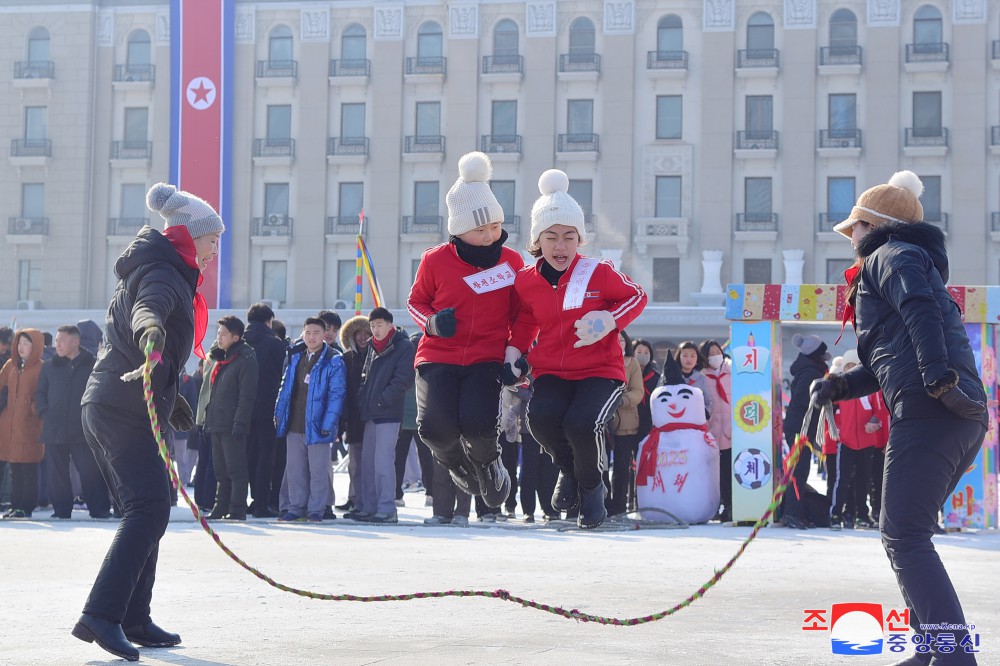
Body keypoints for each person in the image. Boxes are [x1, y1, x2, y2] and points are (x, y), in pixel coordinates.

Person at [812, 170, 987, 665]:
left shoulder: (893, 256)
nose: (852, 239)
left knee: (904, 534)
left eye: (856, 228)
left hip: (931, 409)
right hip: (952, 413)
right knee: (906, 531)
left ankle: (952, 656)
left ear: (875, 225)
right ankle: (935, 649)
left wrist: (936, 376)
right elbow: (892, 352)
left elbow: (919, 311)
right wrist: (841, 386)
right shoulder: (907, 258)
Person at [72, 182, 223, 661]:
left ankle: (135, 615)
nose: (215, 247)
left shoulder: (167, 268)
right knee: (149, 508)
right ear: (187, 235)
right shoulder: (162, 271)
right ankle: (102, 614)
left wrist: (167, 392)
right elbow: (147, 310)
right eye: (211, 238)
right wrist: (151, 335)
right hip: (120, 407)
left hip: (125, 402)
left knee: (150, 506)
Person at [506, 169, 647, 529]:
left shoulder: (597, 272)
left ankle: (592, 488)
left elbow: (636, 297)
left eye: (569, 237)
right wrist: (514, 351)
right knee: (539, 419)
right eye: (551, 237)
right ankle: (570, 470)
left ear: (580, 239)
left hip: (601, 370)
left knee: (583, 423)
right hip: (553, 369)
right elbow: (524, 321)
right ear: (538, 240)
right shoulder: (526, 280)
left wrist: (608, 321)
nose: (561, 246)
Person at [407, 151, 525, 508]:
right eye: (480, 229)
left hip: (486, 357)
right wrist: (431, 322)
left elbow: (523, 314)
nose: (491, 235)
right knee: (433, 429)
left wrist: (515, 352)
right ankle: (456, 463)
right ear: (459, 228)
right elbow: (415, 302)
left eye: (494, 227)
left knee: (478, 426)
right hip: (438, 355)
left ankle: (490, 465)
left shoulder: (512, 261)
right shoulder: (435, 259)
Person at [274, 318, 346, 523]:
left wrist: (328, 424)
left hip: (318, 424)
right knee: (295, 469)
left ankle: (317, 508)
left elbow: (336, 395)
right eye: (308, 333)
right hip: (294, 422)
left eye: (316, 333)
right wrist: (279, 414)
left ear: (324, 335)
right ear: (303, 334)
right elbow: (285, 388)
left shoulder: (333, 360)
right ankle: (296, 507)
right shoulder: (296, 356)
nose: (311, 337)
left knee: (319, 470)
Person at [35, 325, 111, 520]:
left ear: (75, 342)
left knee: (90, 471)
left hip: (82, 429)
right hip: (54, 428)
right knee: (57, 474)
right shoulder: (49, 366)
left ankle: (99, 509)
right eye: (57, 340)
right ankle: (61, 510)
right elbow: (40, 393)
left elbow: (100, 393)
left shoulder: (91, 364)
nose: (57, 344)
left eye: (62, 340)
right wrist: (45, 413)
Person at [349, 308, 415, 524]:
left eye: (379, 325)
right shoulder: (370, 347)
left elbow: (402, 380)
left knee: (383, 462)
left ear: (389, 325)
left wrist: (381, 400)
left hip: (388, 413)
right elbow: (364, 378)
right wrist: (363, 399)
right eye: (373, 325)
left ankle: (387, 508)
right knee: (367, 463)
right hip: (370, 412)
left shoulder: (402, 346)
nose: (375, 330)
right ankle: (369, 506)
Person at [197, 316, 258, 521]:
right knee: (220, 470)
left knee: (235, 469)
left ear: (236, 336)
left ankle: (237, 508)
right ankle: (220, 506)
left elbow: (246, 395)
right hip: (216, 421)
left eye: (224, 334)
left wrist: (240, 422)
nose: (219, 338)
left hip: (233, 422)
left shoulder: (245, 358)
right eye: (218, 333)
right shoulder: (220, 358)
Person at [827, 349, 886, 530]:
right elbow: (831, 410)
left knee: (863, 480)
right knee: (842, 480)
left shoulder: (870, 390)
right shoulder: (841, 388)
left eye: (855, 367)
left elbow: (880, 410)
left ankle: (862, 515)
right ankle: (836, 514)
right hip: (845, 442)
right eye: (848, 367)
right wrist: (836, 429)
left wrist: (875, 422)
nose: (851, 371)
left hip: (866, 442)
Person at [780, 333, 830, 530]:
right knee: (798, 471)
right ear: (816, 355)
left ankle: (794, 511)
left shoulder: (808, 368)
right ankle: (791, 513)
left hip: (800, 426)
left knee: (799, 470)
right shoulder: (811, 372)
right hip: (800, 427)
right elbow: (803, 399)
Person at [243, 303, 286, 518]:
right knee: (267, 456)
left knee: (248, 455)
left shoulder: (239, 342)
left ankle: (251, 500)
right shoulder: (274, 344)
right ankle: (262, 502)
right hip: (269, 408)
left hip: (243, 408)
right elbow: (283, 376)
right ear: (269, 321)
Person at [0, 329, 45, 519]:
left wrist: (33, 409)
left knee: (28, 469)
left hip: (29, 425)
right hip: (9, 424)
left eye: (26, 343)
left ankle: (26, 507)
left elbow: (44, 394)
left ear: (36, 346)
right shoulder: (11, 365)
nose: (21, 347)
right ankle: (15, 504)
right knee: (14, 468)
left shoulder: (42, 367)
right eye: (19, 343)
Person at [608, 330, 644, 518]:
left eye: (621, 340)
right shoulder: (600, 360)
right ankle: (602, 506)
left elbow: (638, 391)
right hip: (601, 422)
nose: (618, 343)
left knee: (621, 467)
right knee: (601, 466)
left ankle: (619, 507)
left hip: (626, 421)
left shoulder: (632, 363)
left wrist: (621, 400)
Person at [336, 315, 370, 514]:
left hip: (372, 416)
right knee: (355, 463)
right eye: (359, 333)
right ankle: (355, 499)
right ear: (352, 336)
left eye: (367, 333)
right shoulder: (346, 359)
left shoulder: (377, 356)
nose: (363, 338)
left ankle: (367, 501)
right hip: (354, 419)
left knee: (371, 464)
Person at [700, 339, 733, 522]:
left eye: (717, 352)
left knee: (728, 472)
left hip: (730, 432)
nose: (715, 356)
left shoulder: (732, 373)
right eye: (710, 353)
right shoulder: (702, 376)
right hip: (711, 433)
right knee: (713, 475)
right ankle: (712, 507)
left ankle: (729, 507)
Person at [661, 341, 713, 417]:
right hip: (672, 419)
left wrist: (704, 414)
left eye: (693, 356)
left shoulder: (701, 379)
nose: (689, 359)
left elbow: (708, 402)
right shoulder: (667, 376)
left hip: (694, 422)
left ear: (697, 359)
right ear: (679, 357)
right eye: (685, 356)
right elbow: (659, 396)